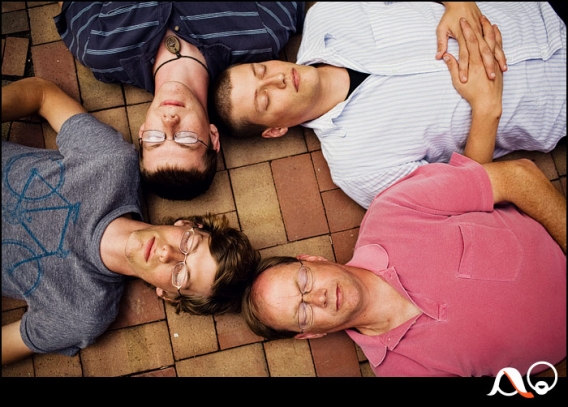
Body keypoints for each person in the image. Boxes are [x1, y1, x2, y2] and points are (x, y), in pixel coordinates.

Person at [1, 77, 260, 366]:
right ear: (186, 224)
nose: (167, 253)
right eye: (189, 243)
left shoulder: (83, 314)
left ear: (169, 296)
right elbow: (42, 95)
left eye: (181, 275)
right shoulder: (112, 162)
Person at [213, 2, 566, 209]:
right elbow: (467, 197)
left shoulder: (328, 14)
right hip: (556, 103)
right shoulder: (357, 170)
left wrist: (457, 3)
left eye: (261, 70)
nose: (276, 79)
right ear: (275, 131)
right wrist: (486, 108)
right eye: (265, 99)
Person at [53, 2, 305, 201]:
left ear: (142, 132)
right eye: (186, 139)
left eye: (155, 139)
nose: (169, 121)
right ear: (213, 137)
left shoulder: (100, 49)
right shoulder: (260, 32)